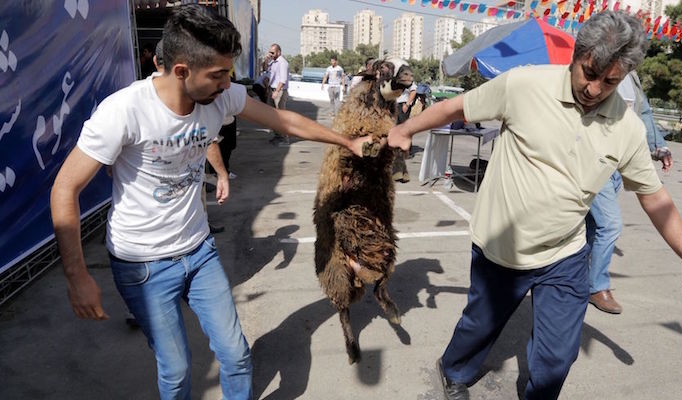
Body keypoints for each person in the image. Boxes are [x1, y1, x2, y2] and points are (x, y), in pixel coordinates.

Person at [50, 5, 376, 399]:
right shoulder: (123, 111)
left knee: (236, 355)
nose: (228, 84)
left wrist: (347, 142)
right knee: (177, 369)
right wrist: (77, 276)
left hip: (198, 251)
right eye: (219, 75)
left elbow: (283, 122)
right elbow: (64, 189)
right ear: (182, 70)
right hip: (142, 264)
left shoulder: (219, 98)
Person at [387, 11, 682, 400]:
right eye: (588, 73)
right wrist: (405, 128)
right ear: (576, 54)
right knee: (480, 325)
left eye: (610, 81)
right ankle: (455, 369)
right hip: (502, 246)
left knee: (558, 358)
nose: (594, 89)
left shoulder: (627, 127)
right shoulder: (524, 84)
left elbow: (654, 196)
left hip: (566, 254)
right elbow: (458, 108)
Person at [586, 71, 674, 314]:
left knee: (593, 225)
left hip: (617, 165)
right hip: (595, 159)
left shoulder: (631, 77)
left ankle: (573, 277)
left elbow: (643, 113)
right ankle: (596, 287)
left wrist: (659, 148)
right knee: (610, 224)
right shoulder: (597, 67)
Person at [392, 76, 417, 183]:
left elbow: (413, 91)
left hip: (403, 105)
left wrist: (407, 104)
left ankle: (407, 151)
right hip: (394, 104)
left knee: (404, 128)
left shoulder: (407, 78)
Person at [267, 43, 289, 143]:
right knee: (272, 115)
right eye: (270, 52)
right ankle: (277, 135)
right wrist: (266, 60)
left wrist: (276, 91)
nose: (270, 54)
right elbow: (265, 69)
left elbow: (283, 79)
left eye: (272, 52)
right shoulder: (273, 62)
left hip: (279, 91)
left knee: (281, 116)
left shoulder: (282, 63)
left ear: (278, 52)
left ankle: (284, 137)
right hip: (273, 90)